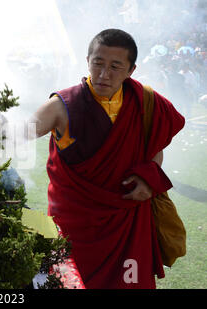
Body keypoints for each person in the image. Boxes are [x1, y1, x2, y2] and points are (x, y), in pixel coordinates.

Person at [29, 29, 185, 289]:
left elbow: (154, 147)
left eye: (115, 66)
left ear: (131, 70)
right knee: (66, 282)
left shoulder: (145, 102)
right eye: (98, 64)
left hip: (126, 220)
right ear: (87, 60)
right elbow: (15, 133)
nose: (104, 74)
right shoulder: (63, 105)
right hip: (73, 222)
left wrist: (149, 179)